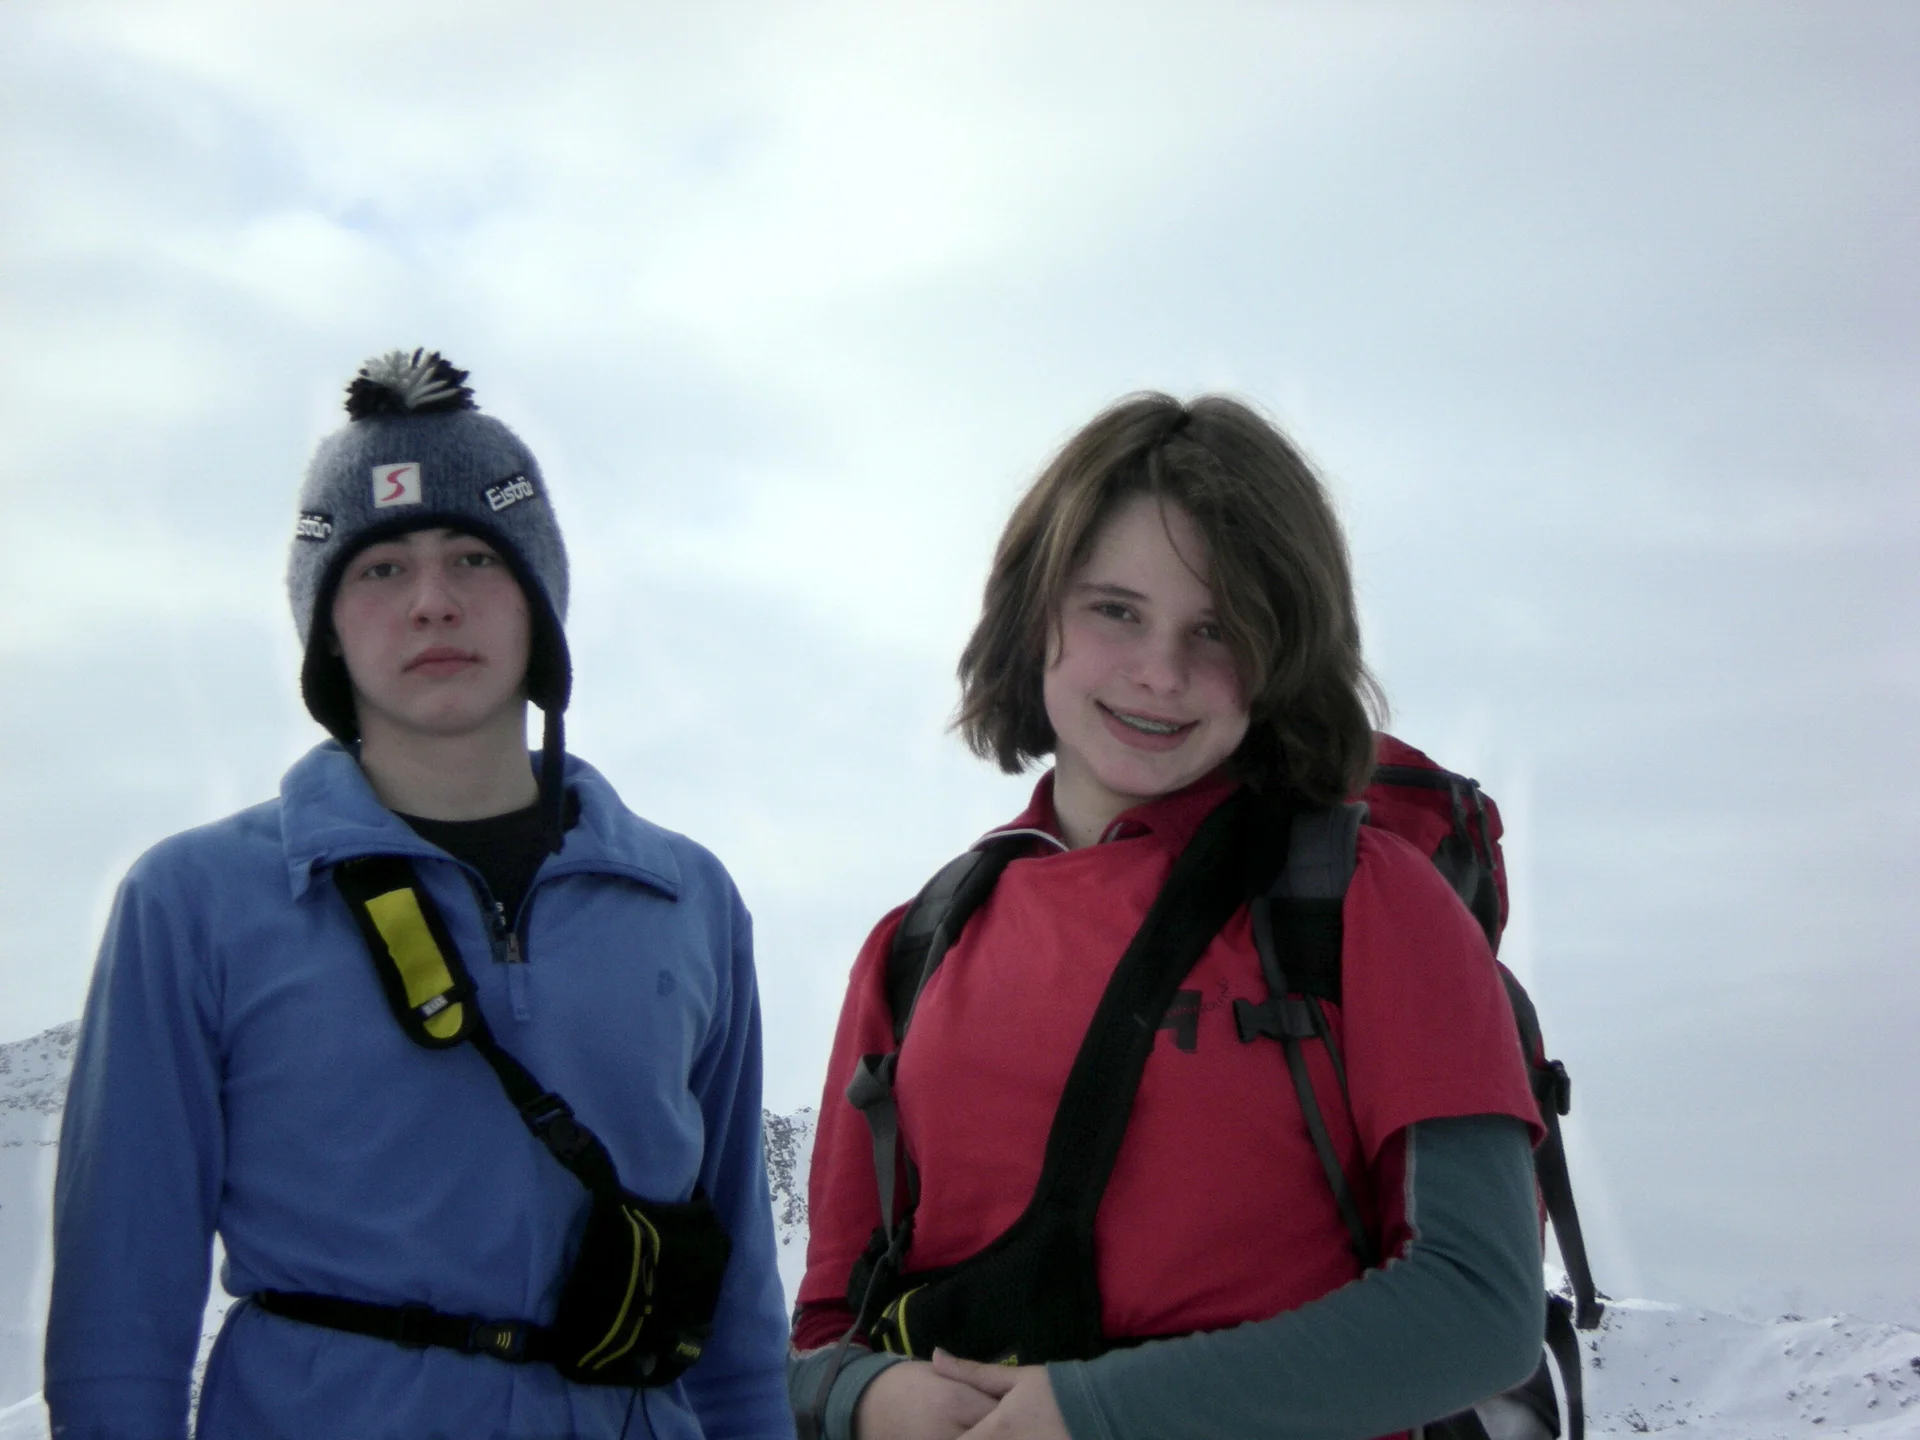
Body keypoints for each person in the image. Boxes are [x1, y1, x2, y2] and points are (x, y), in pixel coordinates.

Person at [46, 351, 791, 1440]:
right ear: (327, 627)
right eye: (381, 569)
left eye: (475, 559)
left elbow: (737, 1312)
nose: (434, 603)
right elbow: (122, 1312)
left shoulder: (687, 899)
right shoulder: (196, 903)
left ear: (539, 604)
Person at [789, 394, 1547, 1440]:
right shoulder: (917, 947)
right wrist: (868, 1397)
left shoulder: (1372, 902)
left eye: (1219, 630)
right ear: (1034, 611)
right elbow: (822, 1336)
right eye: (1115, 610)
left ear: (1285, 652)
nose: (1161, 672)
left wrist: (1095, 1414)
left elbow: (1478, 1309)